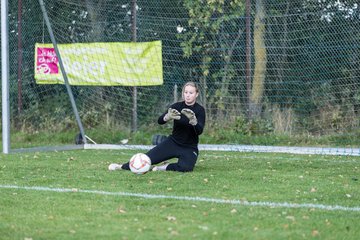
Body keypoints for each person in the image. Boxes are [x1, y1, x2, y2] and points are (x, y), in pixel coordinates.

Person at [108, 81, 206, 172]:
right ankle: (120, 166)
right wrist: (167, 116)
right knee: (146, 159)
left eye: (191, 93)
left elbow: (199, 131)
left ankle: (162, 167)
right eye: (186, 92)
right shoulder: (177, 106)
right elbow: (160, 121)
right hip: (173, 143)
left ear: (196, 94)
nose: (188, 95)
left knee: (186, 168)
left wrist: (193, 121)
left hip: (189, 147)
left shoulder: (200, 110)